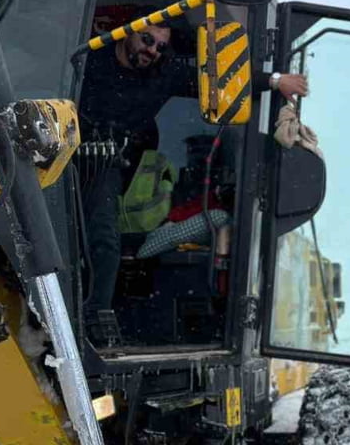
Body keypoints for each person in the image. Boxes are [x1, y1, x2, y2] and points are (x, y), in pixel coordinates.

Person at [77, 19, 308, 343]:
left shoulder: (164, 74)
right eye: (147, 40)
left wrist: (274, 80)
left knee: (103, 237)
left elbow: (219, 84)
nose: (152, 50)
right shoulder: (88, 58)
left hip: (106, 164)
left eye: (160, 46)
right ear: (127, 32)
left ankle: (94, 317)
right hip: (62, 149)